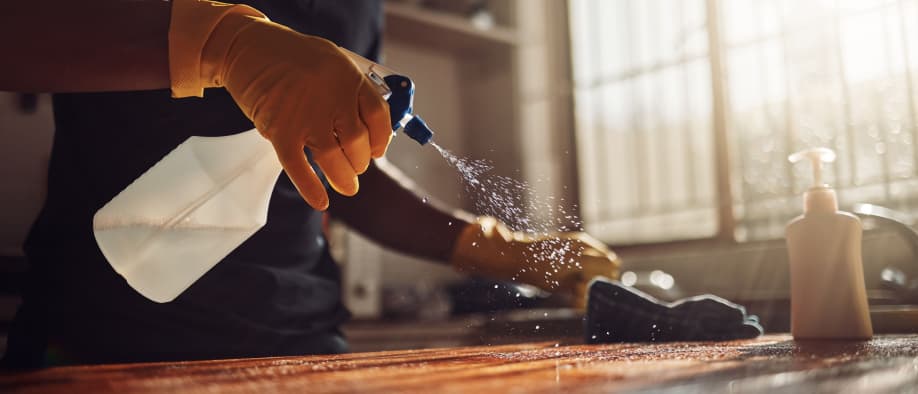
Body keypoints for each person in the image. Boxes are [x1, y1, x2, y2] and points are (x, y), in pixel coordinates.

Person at [0, 0, 620, 368]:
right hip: (106, 338)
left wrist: (497, 249)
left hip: (302, 342)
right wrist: (220, 43)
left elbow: (334, 164)